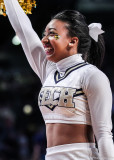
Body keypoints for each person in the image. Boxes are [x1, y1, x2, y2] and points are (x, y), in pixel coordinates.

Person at [4, 0, 114, 159]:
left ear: (73, 41)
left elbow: (103, 134)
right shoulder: (48, 70)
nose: (44, 39)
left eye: (52, 34)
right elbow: (23, 30)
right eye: (44, 34)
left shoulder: (92, 75)